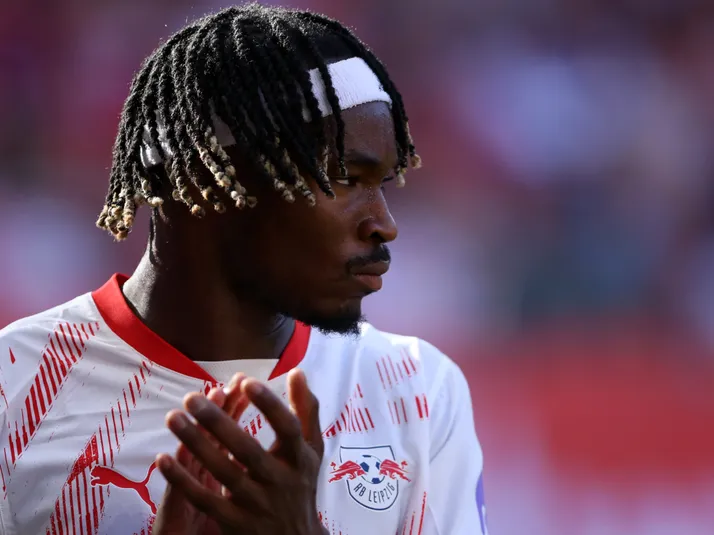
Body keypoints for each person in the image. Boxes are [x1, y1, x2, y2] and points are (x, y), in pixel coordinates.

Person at [0, 4, 487, 534]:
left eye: (383, 184)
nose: (384, 225)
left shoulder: (417, 389)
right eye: (346, 177)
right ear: (205, 179)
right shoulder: (13, 384)